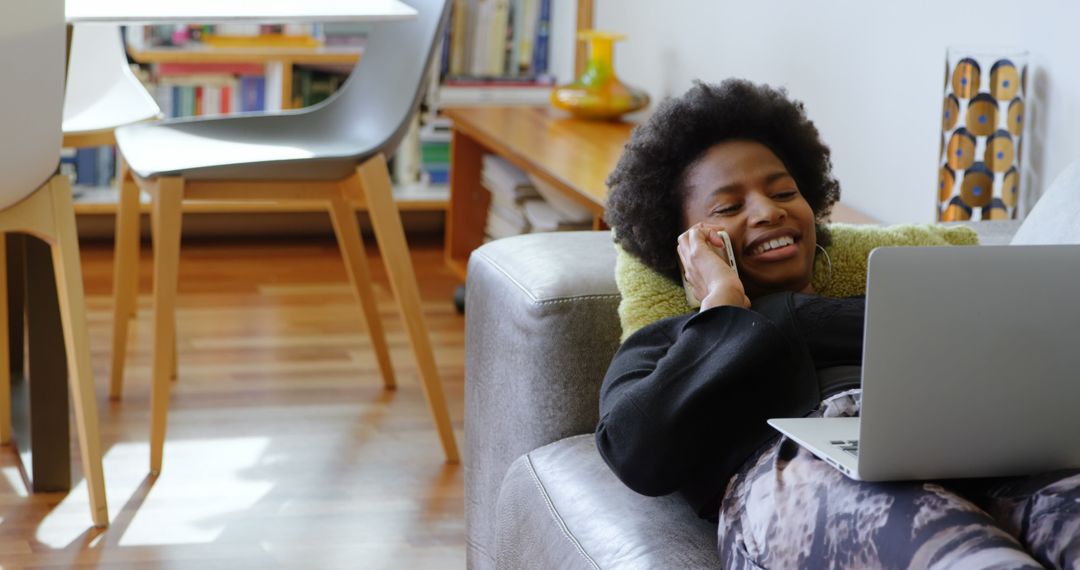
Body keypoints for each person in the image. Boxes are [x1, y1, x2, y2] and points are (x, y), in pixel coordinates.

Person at [595, 79, 1080, 569]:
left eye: (784, 191)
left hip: (974, 454)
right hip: (798, 474)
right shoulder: (666, 344)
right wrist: (723, 306)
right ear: (687, 244)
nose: (769, 211)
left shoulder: (892, 303)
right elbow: (636, 451)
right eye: (729, 207)